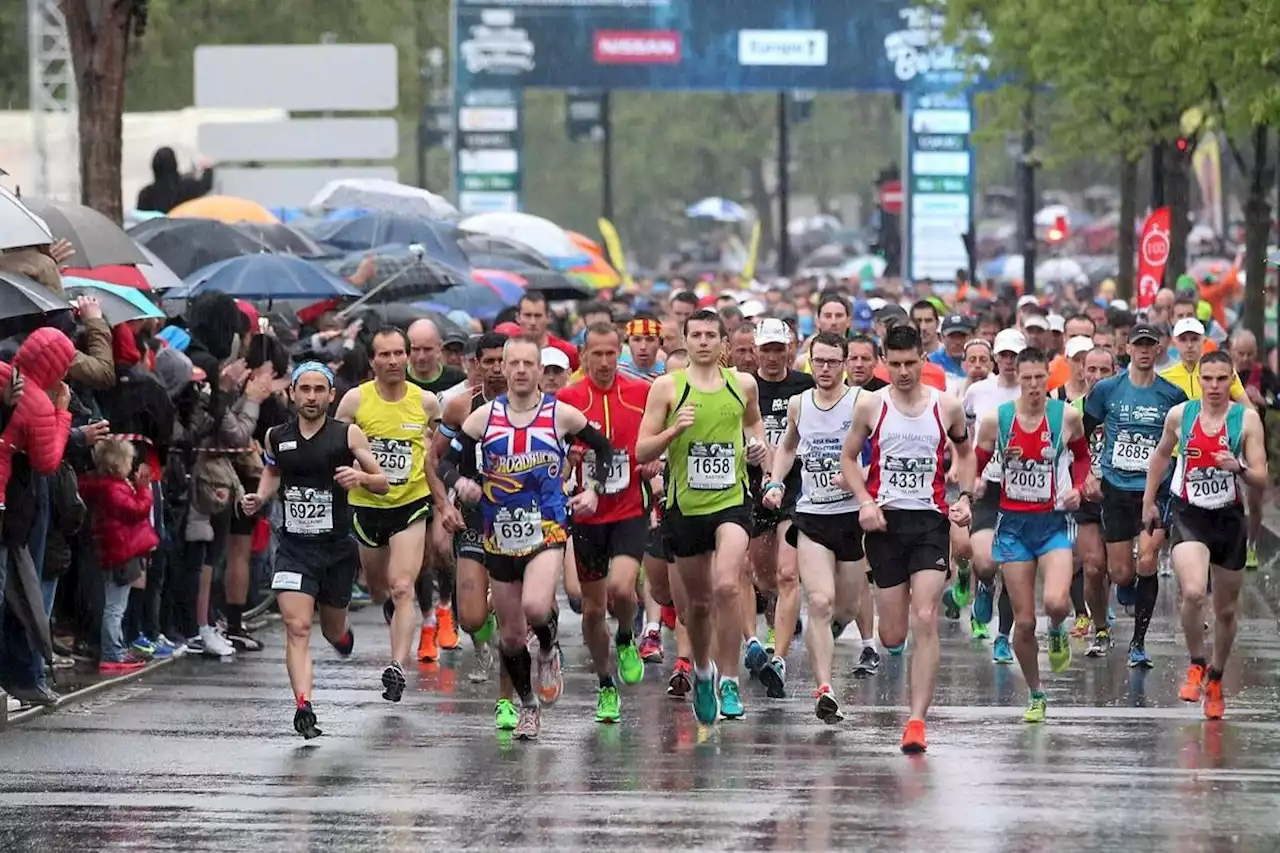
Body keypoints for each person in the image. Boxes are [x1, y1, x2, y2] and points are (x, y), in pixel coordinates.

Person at [441, 337, 614, 740]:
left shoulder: (561, 414)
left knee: (537, 606)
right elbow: (445, 461)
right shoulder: (484, 418)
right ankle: (529, 707)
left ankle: (550, 651)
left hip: (546, 528)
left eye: (527, 364)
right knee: (512, 635)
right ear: (503, 369)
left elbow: (605, 450)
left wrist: (594, 490)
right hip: (498, 535)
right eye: (512, 363)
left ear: (540, 370)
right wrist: (460, 482)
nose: (519, 370)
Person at [841, 323, 974, 753]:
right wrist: (864, 501)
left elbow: (966, 452)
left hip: (930, 524)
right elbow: (846, 458)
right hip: (886, 525)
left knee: (925, 615)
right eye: (894, 364)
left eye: (910, 363)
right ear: (884, 360)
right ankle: (894, 653)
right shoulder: (870, 406)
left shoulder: (946, 406)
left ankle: (916, 721)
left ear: (923, 359)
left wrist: (966, 496)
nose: (902, 372)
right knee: (894, 635)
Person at [241, 362, 388, 738]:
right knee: (297, 626)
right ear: (291, 393)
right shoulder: (276, 436)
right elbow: (273, 472)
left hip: (336, 549)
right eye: (303, 389)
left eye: (318, 389)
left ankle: (340, 635)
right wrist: (260, 496)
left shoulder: (347, 434)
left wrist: (360, 477)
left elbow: (383, 483)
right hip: (294, 547)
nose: (310, 396)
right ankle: (303, 705)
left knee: (331, 629)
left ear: (331, 395)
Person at [637, 308, 770, 723]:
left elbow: (755, 427)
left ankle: (729, 679)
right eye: (696, 335)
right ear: (686, 340)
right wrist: (674, 431)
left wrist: (757, 448)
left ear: (723, 343)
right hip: (684, 507)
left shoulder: (742, 384)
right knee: (695, 604)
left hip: (731, 500)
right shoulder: (666, 387)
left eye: (712, 335)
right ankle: (703, 671)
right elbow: (642, 451)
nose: (704, 342)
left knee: (728, 585)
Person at [335, 329, 461, 702]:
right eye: (383, 354)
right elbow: (335, 447)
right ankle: (394, 609)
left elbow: (440, 453)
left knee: (403, 585)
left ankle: (396, 667)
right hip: (367, 506)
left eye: (397, 354)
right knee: (380, 590)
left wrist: (443, 495)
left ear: (406, 357)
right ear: (372, 361)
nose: (392, 361)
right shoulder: (355, 400)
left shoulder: (426, 403)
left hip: (411, 502)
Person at [1142, 351, 1267, 719]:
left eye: (1221, 379)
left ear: (1231, 380)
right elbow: (1161, 456)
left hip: (1228, 518)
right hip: (1188, 514)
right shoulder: (1181, 416)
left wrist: (1238, 467)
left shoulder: (1247, 421)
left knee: (1226, 611)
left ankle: (1215, 676)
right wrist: (1149, 501)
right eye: (1207, 379)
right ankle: (1196, 663)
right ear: (1199, 381)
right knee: (1194, 591)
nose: (1214, 386)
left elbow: (1262, 476)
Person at [974, 348, 1091, 723]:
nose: (1034, 386)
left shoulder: (1066, 416)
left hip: (1053, 522)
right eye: (1026, 379)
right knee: (1023, 622)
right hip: (1013, 526)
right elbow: (975, 459)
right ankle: (1036, 693)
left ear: (1048, 378)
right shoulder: (998, 420)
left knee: (1057, 602)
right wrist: (972, 483)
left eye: (1040, 378)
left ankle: (1057, 629)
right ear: (1017, 379)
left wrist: (1077, 486)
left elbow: (1083, 456)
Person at [764, 332, 874, 722]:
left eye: (832, 362)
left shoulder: (863, 402)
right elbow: (789, 447)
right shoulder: (799, 404)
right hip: (811, 515)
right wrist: (776, 481)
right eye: (819, 362)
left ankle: (825, 637)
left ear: (845, 362)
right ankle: (824, 689)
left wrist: (860, 477)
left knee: (845, 606)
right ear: (810, 362)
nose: (825, 369)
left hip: (849, 519)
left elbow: (880, 451)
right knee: (821, 602)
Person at [558, 324, 657, 723]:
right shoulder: (567, 400)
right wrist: (571, 462)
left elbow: (654, 441)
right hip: (587, 517)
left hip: (629, 509)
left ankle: (627, 636)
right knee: (593, 611)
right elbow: (555, 455)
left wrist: (655, 461)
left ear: (621, 354)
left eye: (611, 354)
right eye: (596, 354)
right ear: (583, 355)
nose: (604, 362)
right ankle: (605, 684)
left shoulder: (640, 394)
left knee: (621, 588)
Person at [1084, 324, 1188, 666]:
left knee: (1147, 561)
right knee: (1120, 573)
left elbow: (1186, 442)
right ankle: (1128, 585)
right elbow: (1083, 433)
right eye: (1139, 344)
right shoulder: (1106, 390)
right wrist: (1088, 474)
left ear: (1158, 350)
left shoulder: (1172, 396)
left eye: (1150, 345)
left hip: (1155, 490)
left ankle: (1138, 643)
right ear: (1127, 347)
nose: (1144, 351)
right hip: (1116, 488)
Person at [435, 332, 515, 728]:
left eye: (505, 360)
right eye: (490, 362)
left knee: (512, 608)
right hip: (473, 517)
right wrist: (446, 502)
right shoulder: (461, 407)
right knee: (469, 617)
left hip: (519, 520)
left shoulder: (534, 406)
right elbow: (435, 461)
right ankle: (481, 642)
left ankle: (514, 664)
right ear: (476, 364)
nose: (499, 369)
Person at [745, 318, 811, 697]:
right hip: (752, 490)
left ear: (790, 349)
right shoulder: (743, 385)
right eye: (765, 349)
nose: (772, 357)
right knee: (762, 577)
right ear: (755, 351)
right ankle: (763, 628)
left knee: (788, 576)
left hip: (794, 488)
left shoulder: (803, 386)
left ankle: (780, 660)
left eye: (778, 349)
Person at [955, 328, 1023, 660]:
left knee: (1012, 566)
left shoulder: (1037, 392)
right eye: (1004, 355)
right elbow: (963, 434)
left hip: (1024, 490)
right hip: (988, 484)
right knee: (984, 561)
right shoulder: (978, 392)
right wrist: (967, 469)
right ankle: (984, 584)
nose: (1009, 362)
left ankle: (1003, 636)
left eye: (1015, 356)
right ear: (997, 358)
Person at [78, 439, 159, 674]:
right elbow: (137, 509)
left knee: (113, 604)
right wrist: (144, 489)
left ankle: (116, 648)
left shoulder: (106, 485)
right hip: (120, 551)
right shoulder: (113, 489)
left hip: (115, 549)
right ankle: (112, 652)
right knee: (115, 606)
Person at [1074, 347, 1117, 645]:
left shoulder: (1124, 410)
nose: (1097, 377)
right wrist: (1082, 479)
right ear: (1082, 371)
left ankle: (1114, 598)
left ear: (1115, 373)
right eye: (1092, 370)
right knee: (1092, 566)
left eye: (1104, 371)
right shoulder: (1071, 411)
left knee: (1117, 569)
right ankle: (1100, 626)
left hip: (1119, 496)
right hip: (1085, 499)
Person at [135, 147, 214, 213]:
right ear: (175, 164)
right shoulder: (188, 187)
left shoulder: (145, 195)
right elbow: (205, 185)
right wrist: (208, 169)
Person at [517, 292, 579, 371]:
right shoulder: (509, 351)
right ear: (518, 317)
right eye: (527, 315)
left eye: (538, 316)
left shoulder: (568, 351)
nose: (533, 322)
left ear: (548, 317)